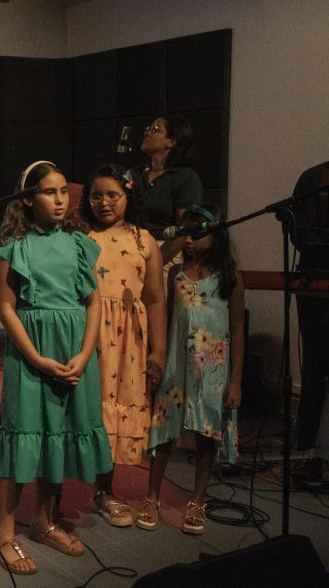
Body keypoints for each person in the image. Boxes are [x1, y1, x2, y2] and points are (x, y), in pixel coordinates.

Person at [0, 160, 111, 576]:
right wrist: (36, 358)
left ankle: (44, 520)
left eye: (63, 192)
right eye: (49, 192)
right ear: (28, 199)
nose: (60, 200)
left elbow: (93, 301)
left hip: (73, 352)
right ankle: (4, 531)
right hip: (32, 354)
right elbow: (7, 308)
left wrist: (85, 353)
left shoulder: (77, 243)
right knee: (25, 433)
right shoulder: (16, 245)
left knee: (57, 435)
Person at [144, 203, 244, 534]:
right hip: (176, 365)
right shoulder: (176, 274)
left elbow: (237, 329)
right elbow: (166, 318)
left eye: (196, 233)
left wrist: (235, 380)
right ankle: (152, 496)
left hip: (211, 370)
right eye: (185, 233)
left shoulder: (230, 278)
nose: (189, 240)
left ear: (216, 235)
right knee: (163, 430)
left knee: (206, 435)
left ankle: (198, 500)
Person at [80, 164, 167, 527]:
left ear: (129, 196)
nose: (104, 202)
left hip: (129, 338)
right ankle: (77, 491)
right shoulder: (82, 237)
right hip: (91, 333)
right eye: (96, 196)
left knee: (118, 407)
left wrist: (159, 349)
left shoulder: (144, 241)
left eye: (112, 195)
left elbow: (155, 298)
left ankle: (105, 489)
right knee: (93, 407)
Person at [291, 161, 329, 485]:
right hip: (318, 287)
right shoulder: (316, 178)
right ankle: (308, 454)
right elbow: (302, 234)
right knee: (316, 370)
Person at [134, 116, 204, 265]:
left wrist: (156, 262)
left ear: (171, 141)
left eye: (155, 129)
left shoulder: (184, 177)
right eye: (148, 128)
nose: (147, 132)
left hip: (166, 252)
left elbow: (183, 230)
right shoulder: (136, 174)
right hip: (132, 247)